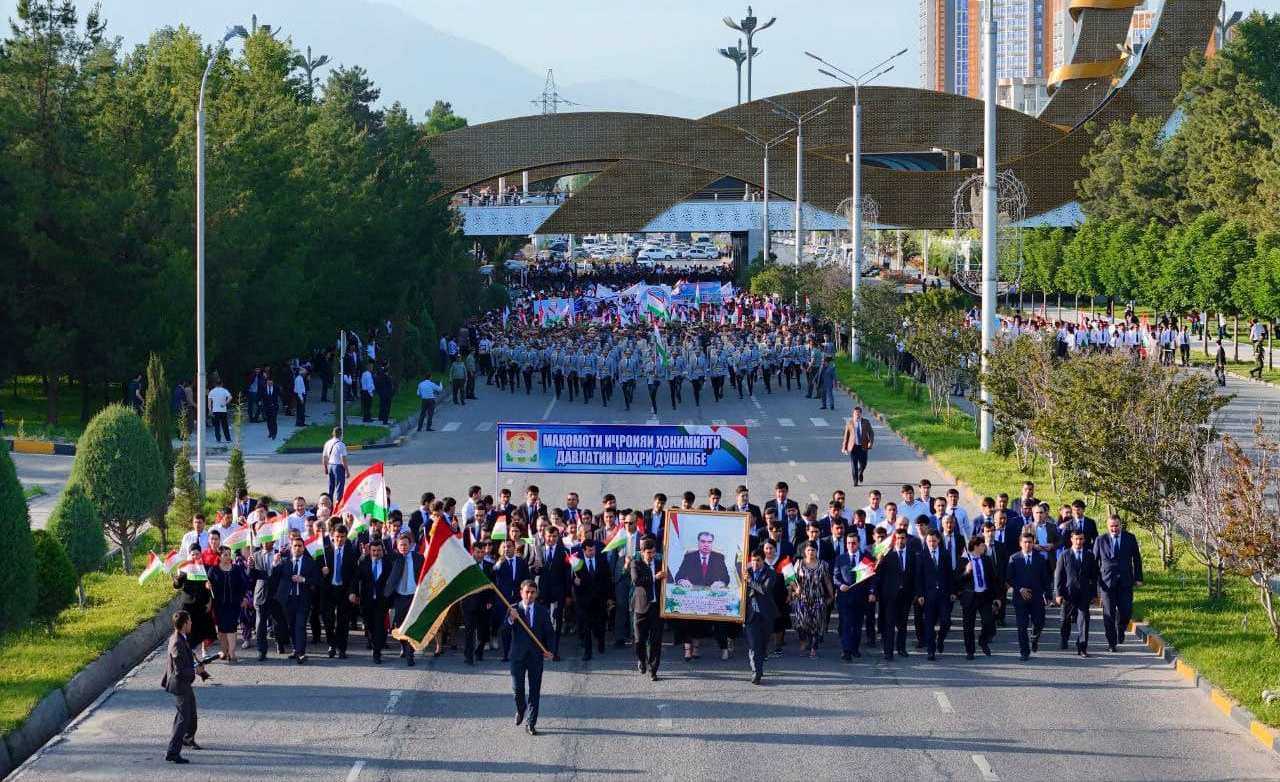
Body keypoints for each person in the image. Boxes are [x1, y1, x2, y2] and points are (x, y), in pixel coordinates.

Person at [508, 580, 555, 735]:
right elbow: (502, 629)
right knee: (517, 689)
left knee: (534, 691)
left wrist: (550, 650)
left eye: (532, 592)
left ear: (536, 594)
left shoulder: (542, 611)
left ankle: (531, 723)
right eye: (527, 592)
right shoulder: (513, 609)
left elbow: (549, 633)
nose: (529, 595)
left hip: (535, 656)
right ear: (521, 592)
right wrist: (511, 619)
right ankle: (521, 709)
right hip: (517, 656)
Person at [162, 610, 207, 764]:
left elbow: (185, 661)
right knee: (183, 717)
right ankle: (172, 752)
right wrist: (195, 670)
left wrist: (198, 668)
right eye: (189, 621)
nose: (192, 623)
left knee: (191, 712)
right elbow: (179, 670)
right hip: (179, 684)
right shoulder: (176, 642)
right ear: (184, 624)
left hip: (184, 682)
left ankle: (187, 738)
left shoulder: (181, 637)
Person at [1093, 515, 1143, 652]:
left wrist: (1138, 578)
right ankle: (1111, 642)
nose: (1114, 529)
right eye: (1111, 526)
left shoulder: (1130, 538)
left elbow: (1137, 559)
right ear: (1107, 526)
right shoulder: (1100, 540)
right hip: (1107, 583)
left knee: (1126, 611)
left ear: (1121, 525)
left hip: (1125, 581)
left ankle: (1121, 629)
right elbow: (1094, 562)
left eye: (1116, 526)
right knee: (1109, 613)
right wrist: (1095, 582)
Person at [833, 531, 875, 661]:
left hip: (860, 597)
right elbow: (835, 577)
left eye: (853, 543)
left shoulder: (866, 558)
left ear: (858, 543)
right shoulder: (841, 558)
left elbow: (872, 578)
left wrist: (872, 592)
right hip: (844, 597)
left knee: (857, 625)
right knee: (846, 624)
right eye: (848, 543)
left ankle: (855, 648)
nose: (851, 545)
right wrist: (840, 585)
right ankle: (846, 651)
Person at [1007, 533, 1050, 661]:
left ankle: (1034, 637)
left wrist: (1048, 594)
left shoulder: (1040, 559)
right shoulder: (1014, 558)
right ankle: (1024, 652)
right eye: (1025, 542)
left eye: (1030, 542)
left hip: (1036, 597)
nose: (1027, 544)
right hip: (1020, 597)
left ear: (1033, 543)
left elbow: (1046, 579)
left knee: (1039, 622)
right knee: (1022, 625)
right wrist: (1019, 588)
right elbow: (1009, 578)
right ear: (1020, 543)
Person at [1056, 529, 1098, 657]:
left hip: (1084, 594)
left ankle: (1082, 647)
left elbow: (1094, 575)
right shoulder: (1064, 555)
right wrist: (1058, 594)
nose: (1079, 542)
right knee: (1065, 620)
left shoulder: (1089, 555)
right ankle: (1064, 638)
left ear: (1084, 540)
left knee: (1084, 619)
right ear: (1071, 540)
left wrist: (1094, 594)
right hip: (1068, 594)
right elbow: (1058, 575)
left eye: (1081, 539)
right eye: (1076, 539)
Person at [876, 529, 917, 660]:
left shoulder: (912, 555)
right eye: (898, 538)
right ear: (895, 539)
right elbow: (878, 574)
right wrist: (879, 561)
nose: (900, 541)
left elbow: (914, 576)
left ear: (906, 539)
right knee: (889, 624)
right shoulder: (887, 555)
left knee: (903, 624)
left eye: (902, 538)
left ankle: (901, 648)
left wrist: (915, 593)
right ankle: (888, 651)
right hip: (890, 596)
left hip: (905, 595)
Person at [278, 536, 320, 663]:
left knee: (300, 625)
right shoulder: (284, 561)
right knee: (292, 625)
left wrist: (304, 580)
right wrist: (275, 565)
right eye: (295, 546)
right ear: (291, 547)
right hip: (288, 599)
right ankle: (296, 649)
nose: (297, 548)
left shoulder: (310, 562)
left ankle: (301, 652)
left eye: (299, 546)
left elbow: (317, 581)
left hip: (303, 599)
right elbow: (275, 577)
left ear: (303, 547)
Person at [957, 536, 999, 660]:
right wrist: (966, 571)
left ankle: (983, 640)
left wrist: (997, 597)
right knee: (968, 626)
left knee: (989, 622)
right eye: (982, 545)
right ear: (976, 546)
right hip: (970, 596)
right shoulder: (963, 560)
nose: (984, 547)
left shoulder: (986, 560)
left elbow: (993, 579)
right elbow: (957, 580)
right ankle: (970, 651)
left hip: (984, 596)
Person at [790, 541, 834, 658]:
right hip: (802, 598)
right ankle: (804, 642)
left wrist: (831, 595)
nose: (811, 552)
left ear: (817, 551)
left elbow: (827, 580)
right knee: (802, 623)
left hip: (818, 598)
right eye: (809, 550)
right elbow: (791, 579)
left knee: (816, 623)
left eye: (813, 550)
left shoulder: (823, 564)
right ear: (805, 551)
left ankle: (814, 648)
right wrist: (795, 589)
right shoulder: (799, 563)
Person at [321, 524, 359, 659]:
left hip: (344, 590)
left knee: (343, 621)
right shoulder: (325, 551)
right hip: (329, 590)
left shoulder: (351, 551)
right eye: (337, 537)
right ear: (332, 536)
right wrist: (323, 573)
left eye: (342, 537)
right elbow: (316, 571)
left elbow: (355, 574)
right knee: (328, 620)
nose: (340, 539)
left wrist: (353, 592)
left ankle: (342, 648)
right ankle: (331, 644)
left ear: (346, 537)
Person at [173, 545, 216, 659]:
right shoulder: (184, 568)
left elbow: (210, 586)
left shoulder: (205, 568)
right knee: (189, 630)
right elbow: (177, 585)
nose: (195, 556)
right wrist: (176, 578)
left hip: (203, 603)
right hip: (188, 604)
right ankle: (190, 653)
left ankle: (205, 651)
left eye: (197, 554)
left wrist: (209, 601)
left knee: (204, 628)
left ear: (201, 554)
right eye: (193, 554)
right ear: (189, 555)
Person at [207, 546, 249, 663]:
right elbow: (208, 584)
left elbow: (244, 584)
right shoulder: (213, 570)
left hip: (234, 603)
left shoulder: (236, 569)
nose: (228, 557)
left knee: (231, 627)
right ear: (219, 557)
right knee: (221, 629)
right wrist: (207, 585)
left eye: (229, 554)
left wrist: (244, 597)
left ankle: (232, 652)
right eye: (225, 555)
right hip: (219, 604)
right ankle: (224, 650)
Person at [353, 538, 393, 663]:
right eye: (374, 550)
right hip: (367, 601)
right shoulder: (364, 562)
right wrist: (353, 593)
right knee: (370, 627)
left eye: (379, 550)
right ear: (369, 551)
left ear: (383, 551)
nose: (376, 553)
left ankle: (377, 652)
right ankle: (373, 641)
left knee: (380, 627)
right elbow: (356, 579)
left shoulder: (388, 562)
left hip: (382, 602)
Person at [917, 529, 954, 661]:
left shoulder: (945, 554)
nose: (931, 543)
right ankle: (931, 650)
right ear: (926, 542)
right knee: (929, 624)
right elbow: (919, 577)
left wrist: (952, 592)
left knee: (946, 621)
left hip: (943, 594)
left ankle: (941, 639)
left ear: (938, 540)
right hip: (928, 595)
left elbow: (949, 574)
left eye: (934, 541)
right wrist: (920, 594)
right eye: (929, 541)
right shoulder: (921, 556)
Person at [742, 549, 778, 684]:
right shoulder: (746, 573)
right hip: (751, 615)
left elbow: (764, 589)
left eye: (758, 560)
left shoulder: (771, 573)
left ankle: (759, 668)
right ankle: (755, 672)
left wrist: (750, 581)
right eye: (753, 560)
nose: (755, 563)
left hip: (766, 614)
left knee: (762, 645)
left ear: (763, 560)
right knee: (754, 645)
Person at [631, 537, 665, 681]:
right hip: (640, 607)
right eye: (648, 553)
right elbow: (636, 581)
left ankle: (653, 670)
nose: (650, 556)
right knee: (639, 640)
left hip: (656, 608)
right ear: (642, 552)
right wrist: (654, 577)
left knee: (656, 641)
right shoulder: (636, 563)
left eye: (652, 552)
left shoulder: (660, 563)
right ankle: (641, 660)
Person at [572, 538, 610, 661]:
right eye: (589, 550)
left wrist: (609, 597)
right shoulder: (578, 562)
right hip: (585, 599)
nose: (592, 552)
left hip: (599, 599)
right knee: (587, 626)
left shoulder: (601, 559)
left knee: (599, 624)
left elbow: (607, 578)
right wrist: (575, 581)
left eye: (593, 549)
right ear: (584, 551)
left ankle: (601, 642)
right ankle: (587, 652)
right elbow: (571, 578)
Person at [387, 534, 422, 666]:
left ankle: (410, 653)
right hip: (399, 596)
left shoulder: (418, 558)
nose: (403, 547)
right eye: (401, 545)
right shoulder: (394, 558)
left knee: (411, 625)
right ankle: (404, 646)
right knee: (400, 625)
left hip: (413, 596)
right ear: (397, 546)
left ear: (411, 545)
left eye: (406, 544)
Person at [840, 406, 875, 486]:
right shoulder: (850, 423)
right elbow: (846, 436)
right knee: (854, 464)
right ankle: (855, 481)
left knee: (864, 463)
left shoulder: (866, 422)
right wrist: (844, 447)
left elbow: (871, 433)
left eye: (859, 414)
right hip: (853, 447)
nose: (857, 416)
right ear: (853, 414)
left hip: (863, 446)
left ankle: (860, 472)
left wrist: (870, 442)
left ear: (861, 414)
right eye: (855, 414)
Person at [322, 429, 349, 502]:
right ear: (341, 434)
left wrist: (325, 468)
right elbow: (343, 459)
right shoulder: (341, 444)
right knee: (339, 487)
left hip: (330, 465)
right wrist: (347, 471)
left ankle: (329, 503)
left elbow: (324, 457)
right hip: (338, 467)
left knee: (331, 486)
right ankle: (338, 503)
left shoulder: (327, 443)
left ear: (333, 434)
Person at [207, 375, 231, 443]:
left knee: (216, 425)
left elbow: (209, 402)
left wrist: (210, 410)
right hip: (223, 410)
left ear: (215, 384)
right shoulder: (224, 390)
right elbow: (230, 397)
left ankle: (218, 439)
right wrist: (225, 403)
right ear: (222, 384)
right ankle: (228, 439)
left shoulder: (212, 391)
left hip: (215, 411)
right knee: (225, 425)